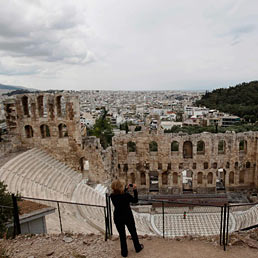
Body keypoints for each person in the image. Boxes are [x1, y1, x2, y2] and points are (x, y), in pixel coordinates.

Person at [110, 179, 144, 257]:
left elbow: (119, 195)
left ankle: (124, 252)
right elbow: (135, 200)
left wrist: (126, 189)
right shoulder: (126, 195)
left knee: (122, 235)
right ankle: (137, 247)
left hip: (118, 217)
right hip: (127, 216)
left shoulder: (112, 196)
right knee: (133, 232)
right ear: (121, 187)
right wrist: (135, 190)